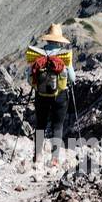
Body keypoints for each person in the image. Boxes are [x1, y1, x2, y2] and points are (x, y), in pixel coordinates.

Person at [25, 24, 75, 165]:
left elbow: (29, 76)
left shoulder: (37, 55)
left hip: (41, 95)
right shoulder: (64, 56)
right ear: (59, 40)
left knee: (40, 124)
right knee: (57, 126)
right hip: (60, 95)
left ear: (47, 39)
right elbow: (72, 78)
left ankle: (38, 156)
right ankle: (54, 158)